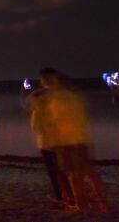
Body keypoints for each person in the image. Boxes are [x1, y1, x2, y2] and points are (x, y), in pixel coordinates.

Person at [31, 69, 109, 214]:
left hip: (65, 142)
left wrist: (36, 105)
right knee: (90, 173)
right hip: (80, 138)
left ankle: (81, 205)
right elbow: (84, 116)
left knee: (73, 176)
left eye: (44, 80)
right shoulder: (73, 96)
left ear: (46, 81)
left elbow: (40, 124)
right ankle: (104, 204)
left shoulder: (49, 99)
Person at [23, 78, 64, 205]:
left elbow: (36, 128)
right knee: (62, 171)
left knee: (53, 173)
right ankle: (68, 195)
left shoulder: (37, 112)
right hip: (59, 143)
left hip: (46, 144)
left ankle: (61, 197)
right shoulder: (53, 109)